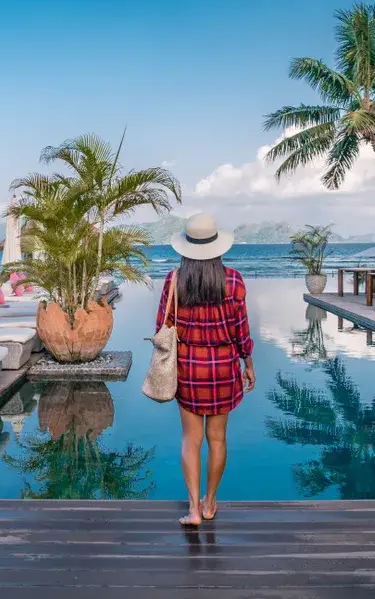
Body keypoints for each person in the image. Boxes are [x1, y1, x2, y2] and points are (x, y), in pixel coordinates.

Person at [156, 213, 255, 526]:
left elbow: (163, 326)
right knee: (218, 439)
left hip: (188, 368)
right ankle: (210, 502)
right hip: (224, 369)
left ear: (186, 248)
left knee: (190, 439)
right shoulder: (234, 280)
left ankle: (193, 510)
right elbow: (241, 330)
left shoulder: (174, 280)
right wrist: (248, 362)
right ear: (218, 247)